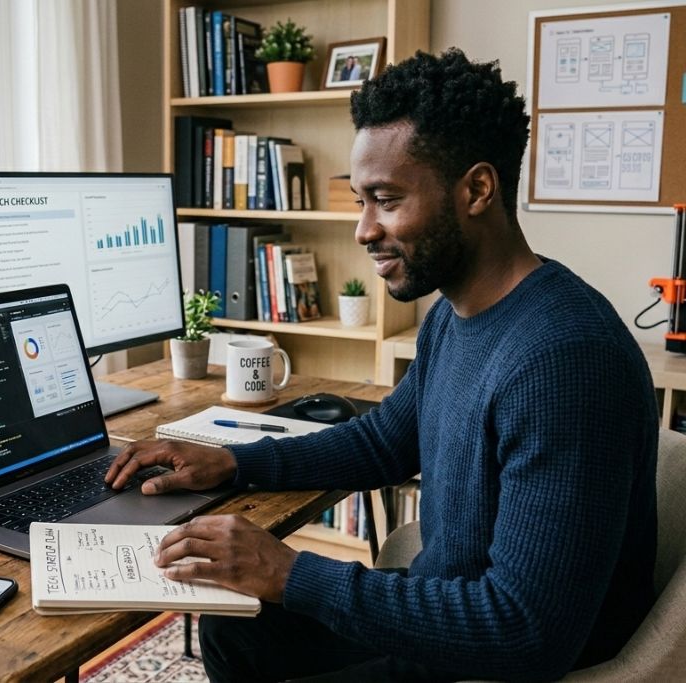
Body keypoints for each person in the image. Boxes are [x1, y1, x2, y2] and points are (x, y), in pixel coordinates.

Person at [106, 48, 657, 682]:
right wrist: (235, 462)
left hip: (495, 655)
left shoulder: (567, 360)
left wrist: (290, 572)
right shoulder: (456, 312)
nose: (364, 230)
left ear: (477, 189)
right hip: (454, 603)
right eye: (360, 200)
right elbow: (383, 440)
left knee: (269, 606)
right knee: (238, 626)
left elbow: (525, 630)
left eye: (386, 200)